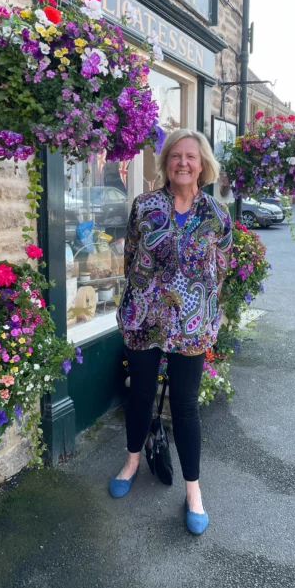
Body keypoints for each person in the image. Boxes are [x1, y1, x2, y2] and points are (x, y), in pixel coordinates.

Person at [111, 128, 232, 534]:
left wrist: (208, 311)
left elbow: (223, 267)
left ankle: (193, 490)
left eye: (191, 157)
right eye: (176, 155)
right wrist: (142, 297)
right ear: (165, 162)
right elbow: (130, 258)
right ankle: (131, 461)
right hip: (144, 318)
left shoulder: (216, 213)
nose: (183, 162)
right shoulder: (144, 206)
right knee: (141, 393)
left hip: (192, 325)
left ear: (203, 165)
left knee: (184, 405)